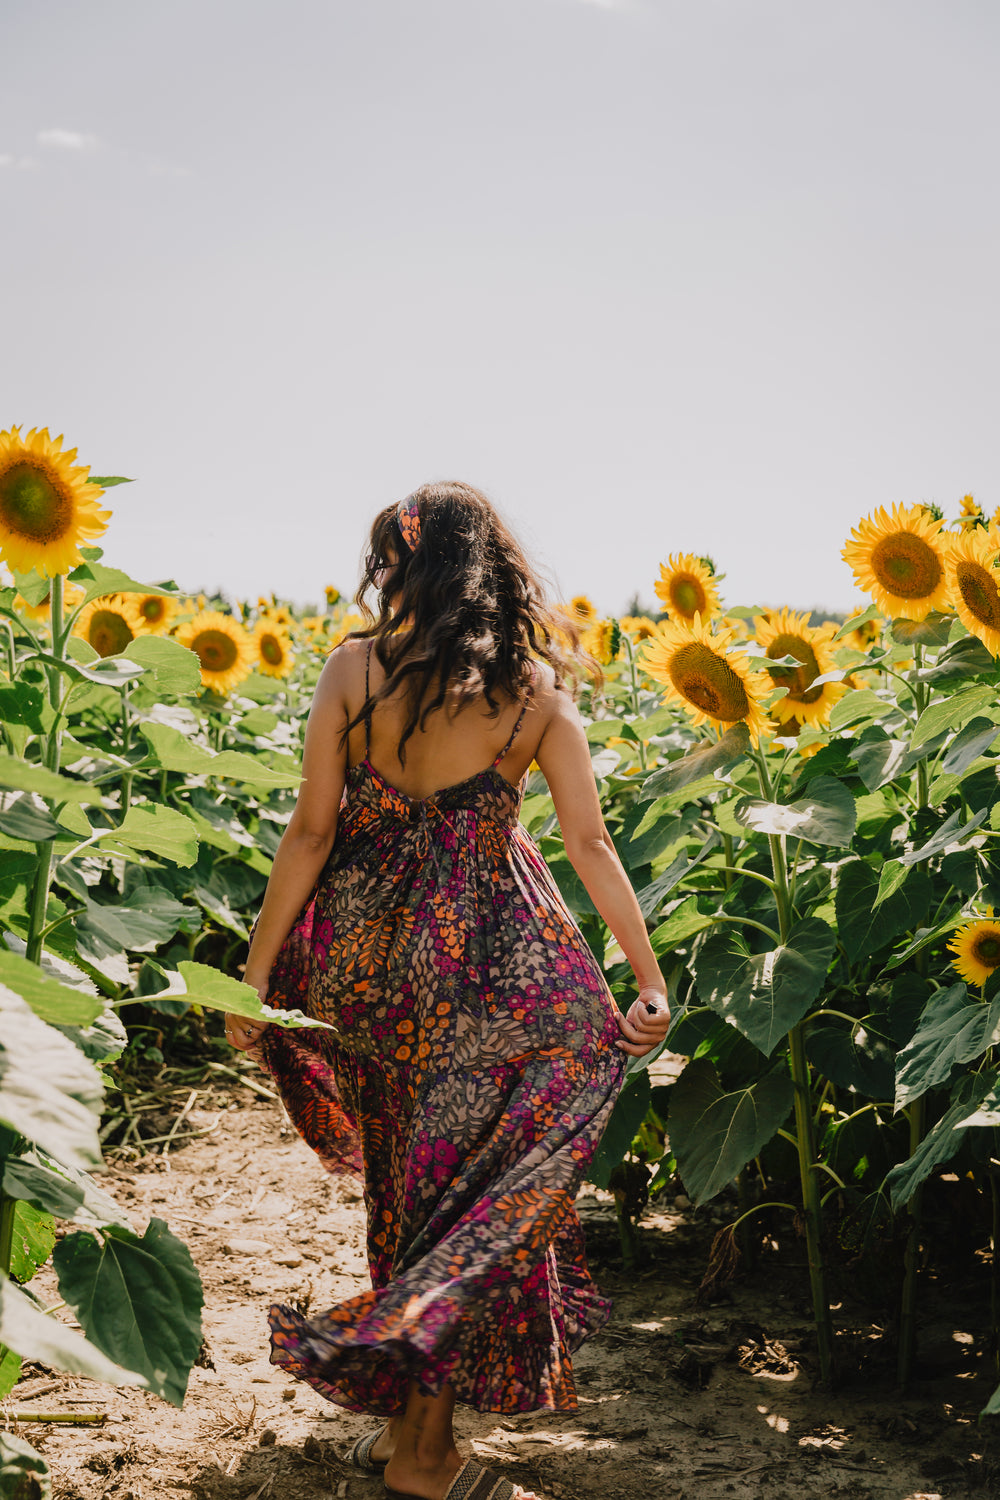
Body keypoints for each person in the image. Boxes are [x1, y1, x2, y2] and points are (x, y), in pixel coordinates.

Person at [224, 482, 670, 1500]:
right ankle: (425, 1457)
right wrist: (643, 982)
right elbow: (590, 844)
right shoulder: (533, 695)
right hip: (508, 977)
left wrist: (253, 981)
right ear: (494, 572)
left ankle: (401, 1434)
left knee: (409, 1188)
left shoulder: (353, 671)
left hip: (370, 970)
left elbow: (310, 834)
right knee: (482, 1207)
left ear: (403, 567)